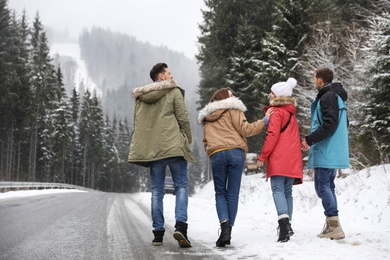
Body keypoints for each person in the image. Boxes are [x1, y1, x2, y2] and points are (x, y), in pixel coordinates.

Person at [128, 63, 195, 248]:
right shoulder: (173, 92)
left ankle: (158, 234)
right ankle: (181, 226)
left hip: (154, 151)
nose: (172, 76)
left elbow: (139, 125)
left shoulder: (141, 98)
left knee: (157, 191)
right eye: (169, 73)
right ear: (161, 77)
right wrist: (187, 138)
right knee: (181, 186)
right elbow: (183, 117)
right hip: (173, 146)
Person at [198, 88, 272, 247]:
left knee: (220, 193)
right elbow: (246, 129)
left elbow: (205, 142)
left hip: (217, 154)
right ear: (224, 98)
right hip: (236, 154)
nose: (234, 97)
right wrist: (265, 121)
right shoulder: (233, 108)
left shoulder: (207, 117)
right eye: (231, 95)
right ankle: (228, 232)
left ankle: (224, 227)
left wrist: (212, 152)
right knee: (232, 194)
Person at [301, 68, 349, 240]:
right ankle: (332, 224)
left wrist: (310, 139)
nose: (314, 81)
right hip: (333, 149)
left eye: (314, 78)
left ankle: (334, 225)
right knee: (327, 186)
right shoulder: (336, 97)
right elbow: (344, 124)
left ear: (320, 80)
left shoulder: (327, 97)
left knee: (322, 187)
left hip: (326, 149)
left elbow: (329, 125)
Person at [256, 78, 303, 243]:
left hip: (279, 157)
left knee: (277, 190)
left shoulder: (276, 113)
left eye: (272, 93)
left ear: (278, 95)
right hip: (292, 158)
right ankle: (288, 225)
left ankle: (283, 226)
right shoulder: (291, 114)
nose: (269, 95)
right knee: (287, 191)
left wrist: (263, 156)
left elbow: (272, 136)